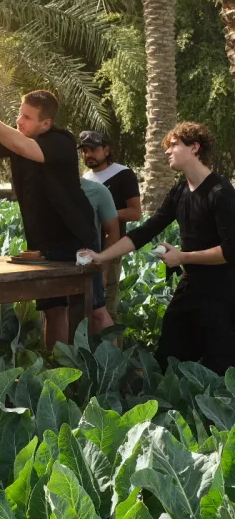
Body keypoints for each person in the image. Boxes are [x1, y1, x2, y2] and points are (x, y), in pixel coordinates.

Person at [79, 122, 235, 375]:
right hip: (192, 284)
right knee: (167, 357)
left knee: (221, 366)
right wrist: (101, 255)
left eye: (174, 144)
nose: (167, 151)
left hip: (224, 291)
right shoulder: (180, 191)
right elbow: (146, 230)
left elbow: (230, 251)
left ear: (195, 147)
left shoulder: (220, 191)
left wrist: (182, 256)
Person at [0, 90, 97, 348]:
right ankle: (56, 366)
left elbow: (22, 146)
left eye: (27, 117)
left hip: (76, 239)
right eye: (19, 114)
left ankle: (107, 374)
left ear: (46, 124)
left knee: (94, 309)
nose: (19, 121)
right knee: (52, 309)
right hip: (41, 243)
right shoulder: (18, 138)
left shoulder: (60, 141)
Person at [79, 131, 142, 322]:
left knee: (106, 307)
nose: (88, 154)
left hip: (111, 247)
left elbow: (135, 212)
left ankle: (114, 351)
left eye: (93, 149)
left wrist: (102, 215)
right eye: (84, 150)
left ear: (106, 150)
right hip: (86, 249)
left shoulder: (123, 174)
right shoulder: (85, 178)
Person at [79, 175, 118, 334]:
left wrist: (103, 269)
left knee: (97, 312)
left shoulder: (98, 191)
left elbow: (113, 232)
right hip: (56, 265)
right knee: (55, 312)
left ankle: (112, 358)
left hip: (90, 264)